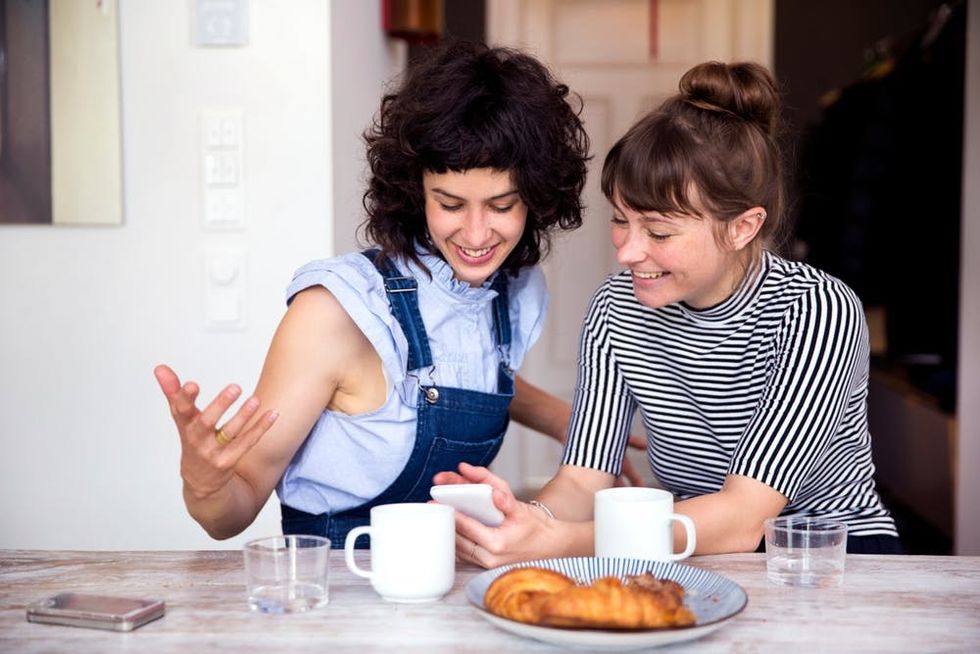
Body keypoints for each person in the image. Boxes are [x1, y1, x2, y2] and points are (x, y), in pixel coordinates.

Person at [437, 60, 903, 566]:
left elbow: (746, 518)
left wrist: (561, 541)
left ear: (743, 227)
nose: (628, 252)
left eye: (658, 233)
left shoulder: (817, 310)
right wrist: (524, 522)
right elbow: (582, 480)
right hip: (687, 546)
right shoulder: (617, 308)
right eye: (621, 221)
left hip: (833, 559)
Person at [153, 40, 604, 548]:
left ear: (537, 198)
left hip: (451, 594)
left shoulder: (509, 293)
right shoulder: (335, 313)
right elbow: (229, 514)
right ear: (416, 190)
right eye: (450, 204)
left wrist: (567, 420)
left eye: (502, 206)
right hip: (338, 603)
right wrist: (204, 482)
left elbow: (462, 363)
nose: (477, 236)